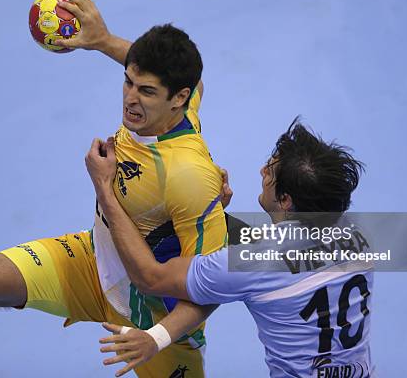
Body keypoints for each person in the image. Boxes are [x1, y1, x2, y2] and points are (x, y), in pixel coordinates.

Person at [0, 0, 226, 378]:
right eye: (128, 82)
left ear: (178, 99)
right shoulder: (184, 99)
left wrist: (154, 338)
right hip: (93, 265)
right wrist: (103, 42)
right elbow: (173, 78)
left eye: (147, 91)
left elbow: (213, 285)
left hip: (154, 321)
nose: (130, 100)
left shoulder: (189, 175)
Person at [85, 119, 374, 377]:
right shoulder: (359, 236)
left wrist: (105, 190)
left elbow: (150, 277)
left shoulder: (251, 264)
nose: (262, 171)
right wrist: (210, 214)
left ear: (285, 200)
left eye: (270, 171)